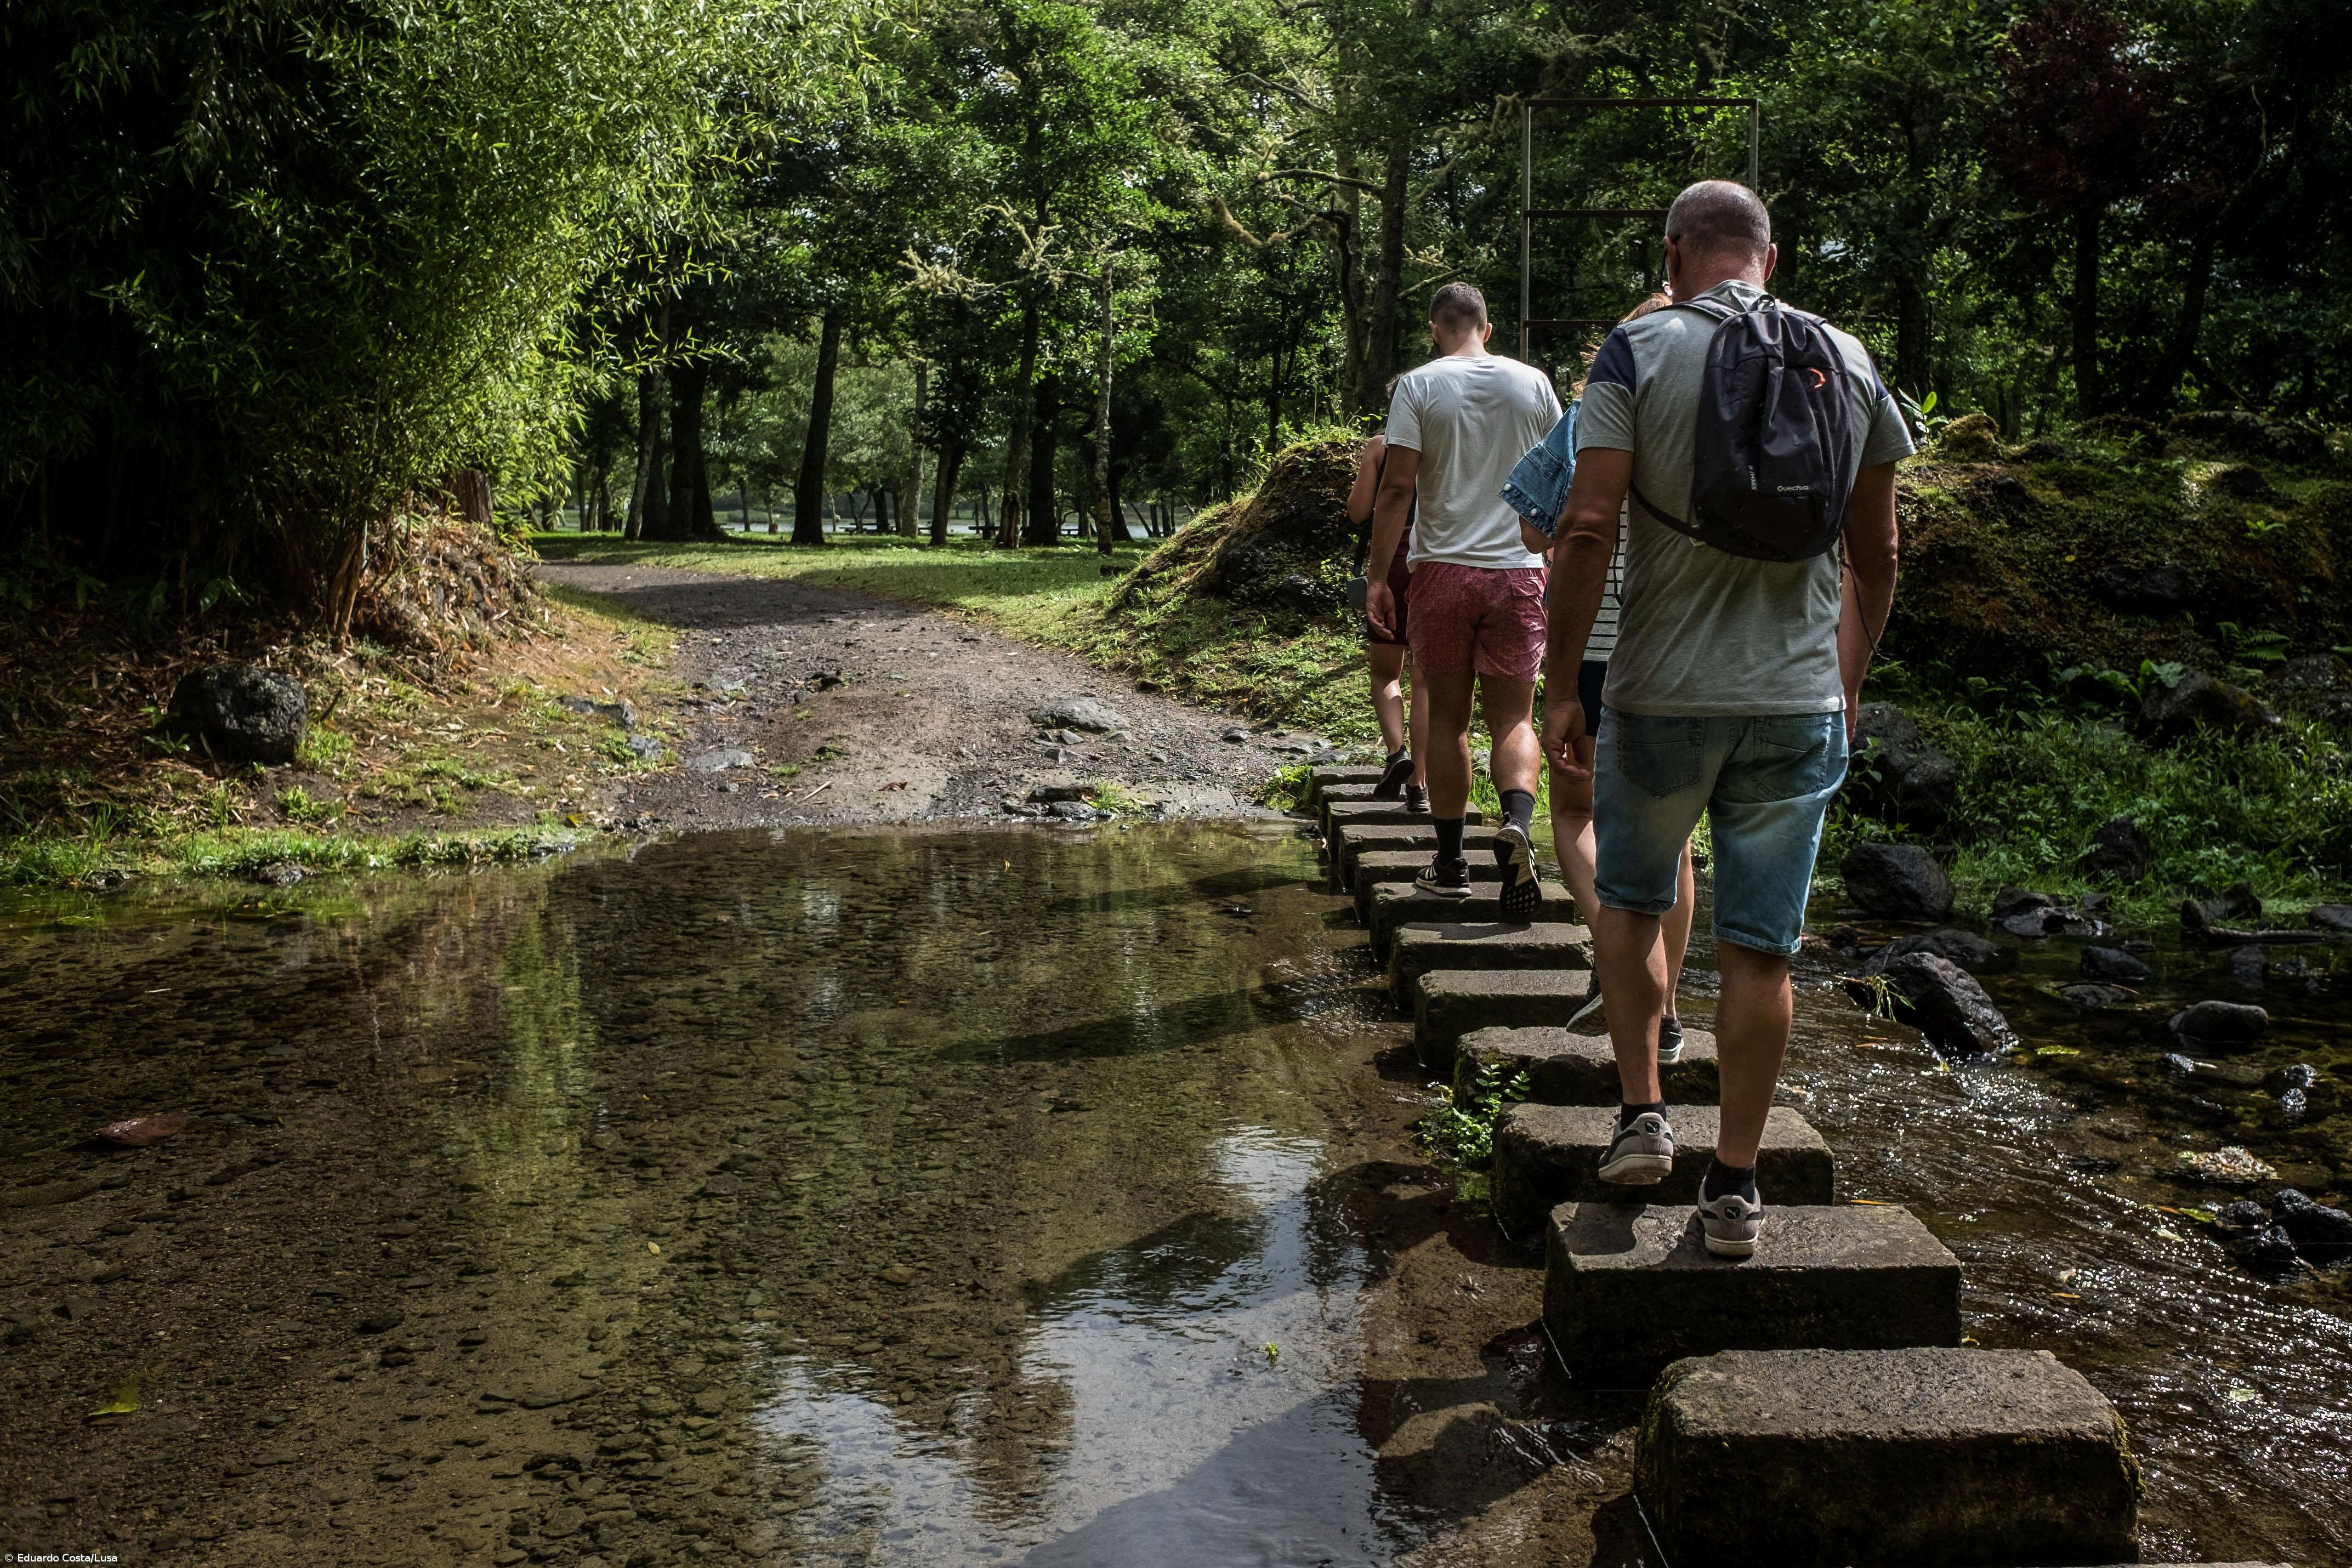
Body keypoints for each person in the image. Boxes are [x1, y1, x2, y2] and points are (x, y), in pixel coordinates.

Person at [1542, 181, 1908, 1257]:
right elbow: (1878, 554)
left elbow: (1587, 522)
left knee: (1633, 899)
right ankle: (1737, 1187)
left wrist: (1563, 681)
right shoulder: (1848, 358)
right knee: (1762, 954)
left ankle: (1644, 1115)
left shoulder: (1638, 350)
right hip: (1795, 701)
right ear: (1771, 258)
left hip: (1657, 692)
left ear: (1674, 252)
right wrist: (1844, 675)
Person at [1503, 295, 1698, 1058]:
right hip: (1679, 648)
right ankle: (1670, 1011)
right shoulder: (1720, 408)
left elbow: (1532, 523)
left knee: (1577, 812)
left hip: (1592, 643)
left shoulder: (1592, 411)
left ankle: (1616, 957)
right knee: (1674, 838)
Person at [1366, 282, 1562, 913]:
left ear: (1435, 329)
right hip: (1518, 571)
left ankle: (1450, 864)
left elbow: (1396, 490)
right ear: (1489, 326)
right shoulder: (1533, 384)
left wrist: (1376, 578)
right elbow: (1563, 475)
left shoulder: (1420, 386)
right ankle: (1516, 824)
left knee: (1448, 720)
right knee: (1514, 718)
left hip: (1444, 572)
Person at [1345, 431, 1428, 810]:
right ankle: (1420, 786)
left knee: (1385, 673)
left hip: (1394, 557)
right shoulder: (1447, 436)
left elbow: (1359, 511)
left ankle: (1397, 752)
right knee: (1425, 683)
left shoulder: (1382, 446)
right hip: (1438, 556)